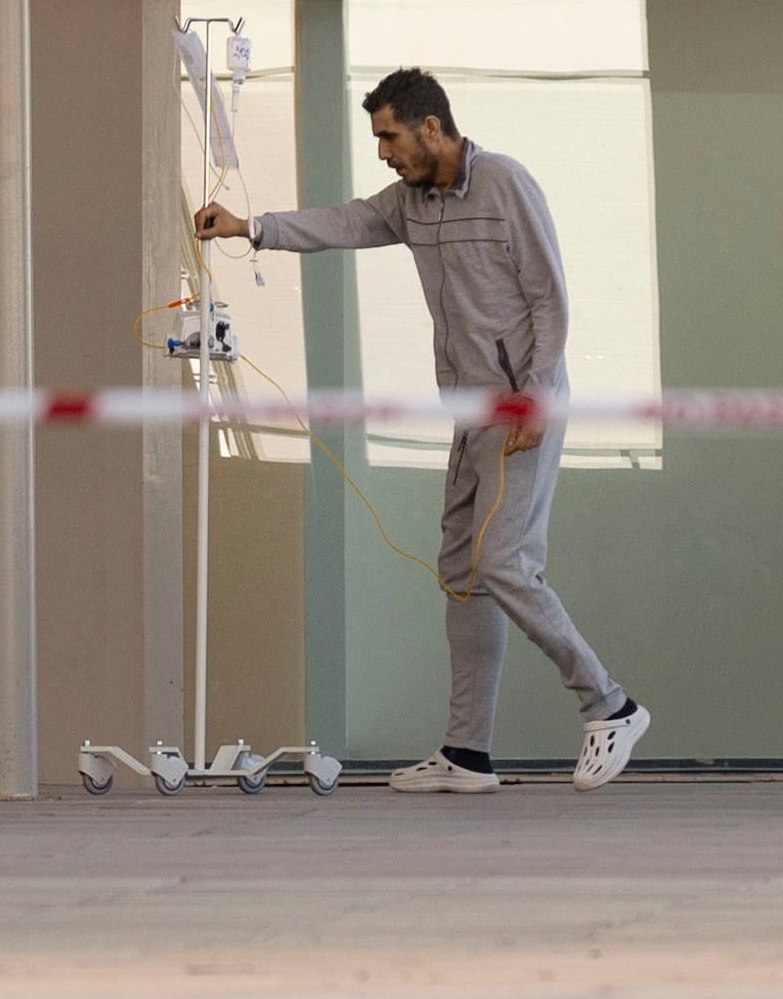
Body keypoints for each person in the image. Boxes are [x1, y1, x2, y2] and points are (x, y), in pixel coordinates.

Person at [199, 67, 650, 791]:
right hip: (468, 413)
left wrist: (534, 396)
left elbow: (550, 300)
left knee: (504, 563)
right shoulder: (413, 204)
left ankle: (610, 705)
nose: (383, 151)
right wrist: (251, 229)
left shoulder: (505, 185)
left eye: (389, 135)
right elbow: (343, 222)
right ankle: (467, 755)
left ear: (431, 128)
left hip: (517, 409)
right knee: (464, 573)